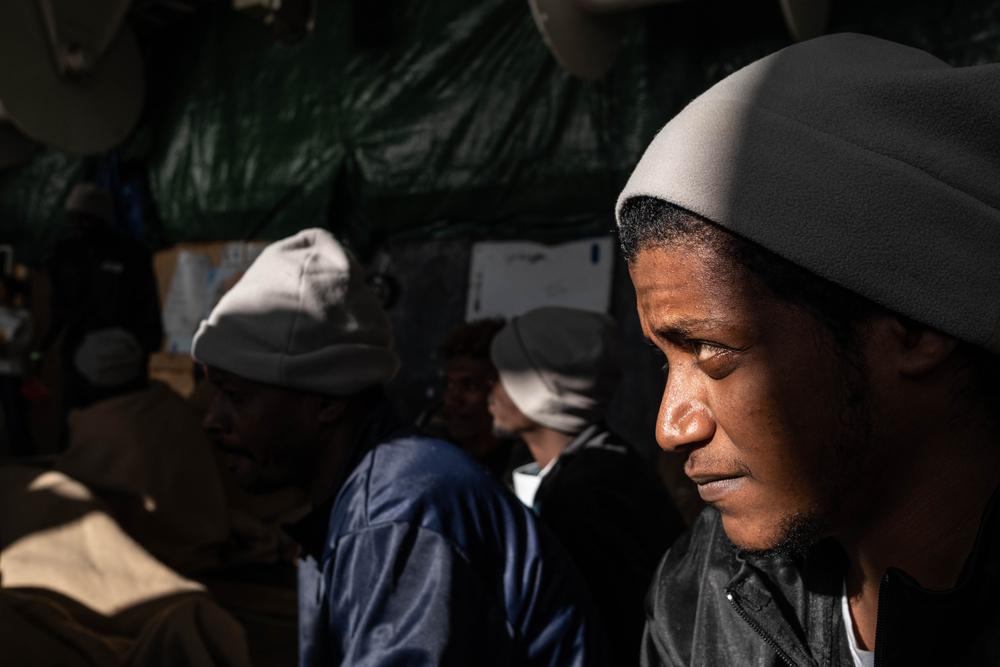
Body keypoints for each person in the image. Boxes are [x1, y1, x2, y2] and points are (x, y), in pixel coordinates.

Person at [615, 33, 1000, 666]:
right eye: (666, 358)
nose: (670, 427)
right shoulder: (702, 590)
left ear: (914, 326)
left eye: (712, 349)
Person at [192, 228, 607, 666]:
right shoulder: (360, 499)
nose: (212, 420)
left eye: (236, 397)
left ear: (327, 401)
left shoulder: (399, 510)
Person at [488, 306, 685, 665]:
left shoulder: (588, 496)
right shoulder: (596, 469)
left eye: (505, 375)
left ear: (538, 391)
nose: (493, 391)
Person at [45, 182, 163, 412]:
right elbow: (59, 304)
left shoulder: (130, 254)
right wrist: (46, 344)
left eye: (85, 218)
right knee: (79, 422)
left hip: (121, 357)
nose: (78, 226)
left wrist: (144, 345)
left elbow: (147, 304)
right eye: (74, 218)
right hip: (76, 357)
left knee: (120, 418)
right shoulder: (65, 254)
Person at [420, 318, 529, 481]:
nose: (453, 398)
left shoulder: (526, 461)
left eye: (470, 385)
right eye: (449, 385)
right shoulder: (426, 445)